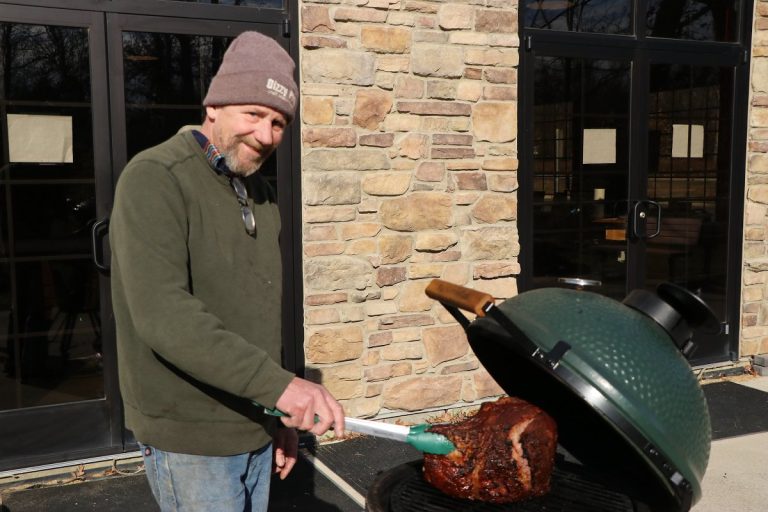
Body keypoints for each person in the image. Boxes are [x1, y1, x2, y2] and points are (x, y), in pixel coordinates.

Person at [109, 31, 345, 512]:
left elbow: (254, 316)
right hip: (192, 433)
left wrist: (274, 413)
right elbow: (164, 315)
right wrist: (284, 388)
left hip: (252, 422)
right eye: (254, 114)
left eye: (279, 122)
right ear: (213, 106)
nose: (266, 135)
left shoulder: (259, 192)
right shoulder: (156, 177)